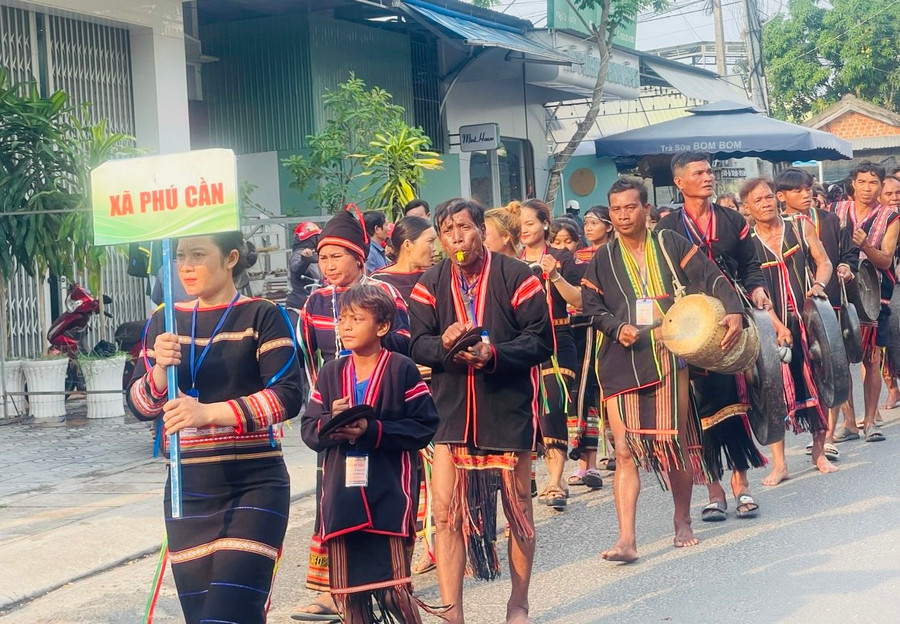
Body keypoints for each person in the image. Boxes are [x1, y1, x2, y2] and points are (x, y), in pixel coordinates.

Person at [127, 232, 305, 623]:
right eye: (180, 256)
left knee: (230, 614)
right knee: (205, 616)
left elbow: (289, 396)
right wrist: (158, 373)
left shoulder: (261, 315)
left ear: (230, 258)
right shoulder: (164, 320)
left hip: (254, 486)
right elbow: (140, 406)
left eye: (198, 254)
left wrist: (207, 413)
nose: (186, 266)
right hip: (187, 493)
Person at [581, 177, 744, 562]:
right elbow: (590, 305)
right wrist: (614, 326)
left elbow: (711, 276)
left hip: (672, 353)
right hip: (620, 362)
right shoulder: (601, 258)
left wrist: (733, 308)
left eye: (630, 207)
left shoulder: (670, 244)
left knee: (676, 444)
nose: (622, 216)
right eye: (615, 209)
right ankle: (626, 539)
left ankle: (681, 520)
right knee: (623, 451)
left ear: (647, 209)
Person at [409, 198, 553, 624]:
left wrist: (494, 353)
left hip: (506, 408)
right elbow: (417, 343)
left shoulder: (516, 276)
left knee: (519, 508)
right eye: (447, 230)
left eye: (464, 228)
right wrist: (446, 346)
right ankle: (453, 611)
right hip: (451, 411)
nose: (456, 237)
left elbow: (540, 341)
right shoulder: (429, 283)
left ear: (481, 231)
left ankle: (519, 602)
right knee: (445, 511)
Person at [293, 206, 410, 622]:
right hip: (335, 414)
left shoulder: (384, 295)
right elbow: (310, 358)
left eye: (337, 256)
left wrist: (369, 376)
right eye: (323, 257)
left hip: (380, 411)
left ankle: (388, 581)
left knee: (384, 494)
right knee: (333, 496)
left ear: (360, 259)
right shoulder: (315, 302)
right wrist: (324, 408)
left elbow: (404, 344)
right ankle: (333, 589)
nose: (328, 265)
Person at [301, 284, 439, 624]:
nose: (345, 326)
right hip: (342, 497)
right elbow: (309, 429)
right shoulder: (331, 372)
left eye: (356, 319)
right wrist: (331, 421)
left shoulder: (401, 368)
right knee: (350, 596)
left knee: (394, 590)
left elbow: (424, 425)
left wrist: (372, 430)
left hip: (388, 492)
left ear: (381, 327)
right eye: (342, 319)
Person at [656, 151, 771, 521]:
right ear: (679, 182)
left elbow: (750, 265)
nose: (708, 177)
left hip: (729, 316)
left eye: (709, 171)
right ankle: (714, 489)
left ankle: (741, 484)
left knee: (733, 400)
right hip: (690, 322)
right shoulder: (666, 228)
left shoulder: (732, 219)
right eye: (699, 173)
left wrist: (755, 290)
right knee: (699, 408)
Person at [742, 178, 837, 483]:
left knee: (822, 381)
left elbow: (824, 262)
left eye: (769, 197)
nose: (766, 203)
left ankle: (819, 452)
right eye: (758, 200)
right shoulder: (746, 241)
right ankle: (780, 464)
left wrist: (819, 285)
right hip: (770, 326)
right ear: (747, 207)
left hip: (809, 319)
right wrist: (776, 324)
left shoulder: (799, 225)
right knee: (773, 391)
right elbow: (751, 289)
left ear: (777, 198)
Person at [775, 168, 857, 462]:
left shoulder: (824, 221)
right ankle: (781, 460)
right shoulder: (765, 228)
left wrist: (835, 274)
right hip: (779, 313)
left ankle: (827, 440)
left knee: (827, 370)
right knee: (780, 380)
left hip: (819, 305)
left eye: (809, 188)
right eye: (798, 190)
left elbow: (837, 257)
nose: (806, 194)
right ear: (780, 197)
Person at [518, 199, 583, 511]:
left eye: (530, 223)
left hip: (558, 341)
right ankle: (525, 478)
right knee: (526, 413)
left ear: (544, 224)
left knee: (551, 406)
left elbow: (580, 301)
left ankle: (556, 480)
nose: (524, 229)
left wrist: (555, 277)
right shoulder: (511, 262)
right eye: (520, 224)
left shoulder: (561, 257)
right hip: (521, 347)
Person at [832, 163, 899, 443]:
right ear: (853, 184)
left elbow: (885, 260)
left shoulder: (891, 217)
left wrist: (865, 246)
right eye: (862, 182)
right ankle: (848, 421)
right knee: (843, 358)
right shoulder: (836, 212)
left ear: (880, 187)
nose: (867, 188)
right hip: (843, 292)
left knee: (872, 358)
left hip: (875, 294)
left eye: (873, 183)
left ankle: (870, 420)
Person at [569, 205, 615, 482]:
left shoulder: (615, 253)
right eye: (585, 222)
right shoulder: (576, 258)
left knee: (610, 387)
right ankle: (588, 457)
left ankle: (618, 448)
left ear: (608, 226)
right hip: (584, 329)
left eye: (594, 222)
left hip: (613, 325)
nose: (588, 227)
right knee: (587, 390)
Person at [372, 216, 437, 301]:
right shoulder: (378, 282)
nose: (434, 248)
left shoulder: (435, 277)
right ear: (407, 245)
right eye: (430, 241)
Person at [285, 221, 323, 319]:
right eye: (316, 237)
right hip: (297, 309)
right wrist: (304, 260)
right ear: (312, 239)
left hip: (310, 306)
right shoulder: (299, 254)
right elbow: (296, 269)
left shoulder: (315, 254)